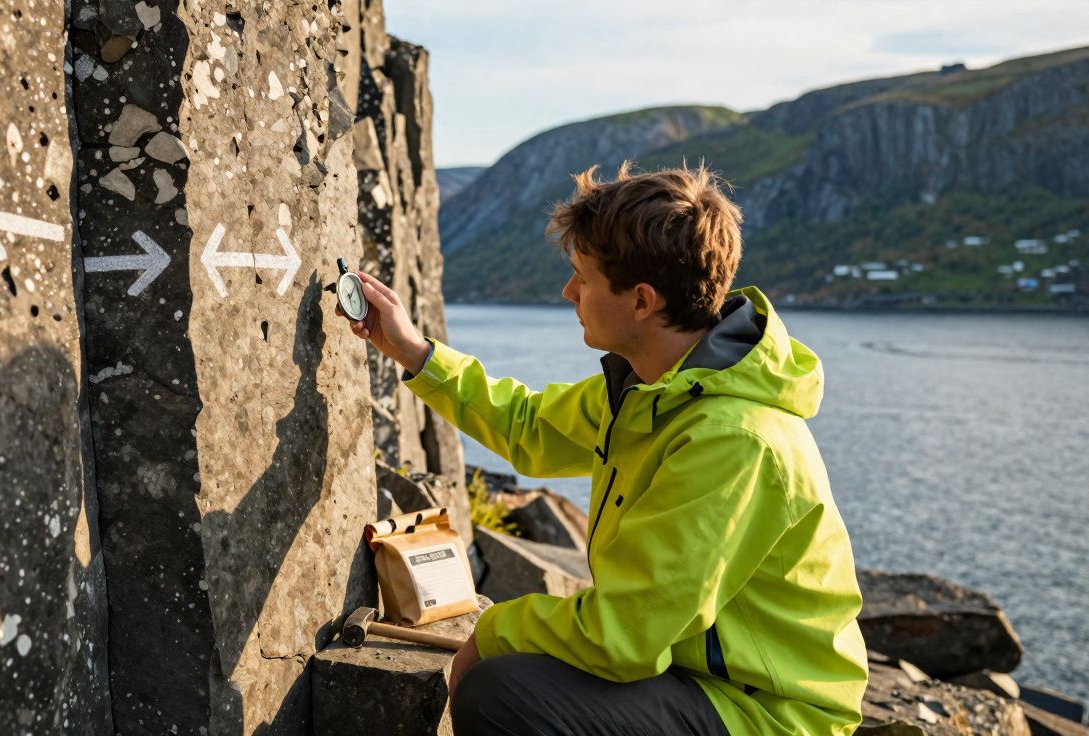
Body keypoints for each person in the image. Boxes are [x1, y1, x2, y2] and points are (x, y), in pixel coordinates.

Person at [337, 162, 868, 735]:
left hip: (768, 714)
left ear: (641, 301)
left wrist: (489, 633)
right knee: (522, 673)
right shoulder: (651, 388)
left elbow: (625, 636)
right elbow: (530, 428)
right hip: (698, 678)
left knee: (503, 693)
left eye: (582, 278)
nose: (569, 292)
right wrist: (416, 353)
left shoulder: (729, 440)